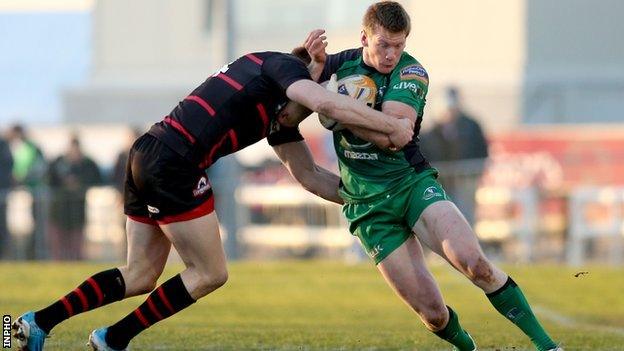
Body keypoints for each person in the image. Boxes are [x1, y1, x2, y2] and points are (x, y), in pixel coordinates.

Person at [12, 49, 414, 351]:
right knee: (209, 273)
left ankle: (35, 323)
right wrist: (392, 127)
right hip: (176, 161)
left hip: (148, 151)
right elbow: (326, 102)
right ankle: (114, 339)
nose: (305, 114)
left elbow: (310, 177)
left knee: (139, 274)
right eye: (304, 103)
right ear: (301, 80)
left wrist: (370, 197)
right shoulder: (282, 68)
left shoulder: (278, 116)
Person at [301, 2, 561, 351]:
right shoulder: (339, 64)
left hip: (411, 184)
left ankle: (547, 346)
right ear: (364, 37)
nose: (392, 54)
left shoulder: (412, 73)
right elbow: (292, 84)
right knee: (434, 315)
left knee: (475, 263)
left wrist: (336, 110)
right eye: (383, 45)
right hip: (367, 207)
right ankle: (467, 347)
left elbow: (394, 134)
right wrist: (313, 67)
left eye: (399, 45)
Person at [420, 86, 489, 224]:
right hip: (440, 182)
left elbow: (481, 150)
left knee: (465, 213)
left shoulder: (471, 126)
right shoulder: (429, 131)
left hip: (466, 180)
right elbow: (424, 153)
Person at [47, 135, 102, 260]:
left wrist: (79, 183)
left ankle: (76, 260)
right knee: (59, 240)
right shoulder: (58, 162)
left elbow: (96, 178)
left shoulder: (87, 163)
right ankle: (59, 262)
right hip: (59, 208)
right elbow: (49, 179)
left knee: (76, 240)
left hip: (77, 209)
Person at [6, 124, 47, 259]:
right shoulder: (26, 147)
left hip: (35, 191)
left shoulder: (29, 148)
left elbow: (26, 168)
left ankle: (36, 253)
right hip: (29, 191)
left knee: (38, 224)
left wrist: (20, 178)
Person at [0, 132, 14, 259]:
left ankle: (3, 254)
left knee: (1, 225)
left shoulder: (3, 144)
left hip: (1, 190)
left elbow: (8, 165)